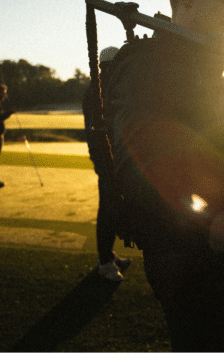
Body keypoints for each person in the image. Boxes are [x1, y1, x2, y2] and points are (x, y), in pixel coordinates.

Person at [103, 0, 224, 352]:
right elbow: (138, 166)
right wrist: (211, 219)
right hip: (189, 262)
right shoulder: (148, 64)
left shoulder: (206, 70)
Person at [82, 46, 131, 282]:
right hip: (107, 158)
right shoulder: (98, 90)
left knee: (110, 208)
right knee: (108, 210)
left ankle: (108, 255)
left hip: (112, 157)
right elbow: (96, 131)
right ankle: (104, 262)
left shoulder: (104, 86)